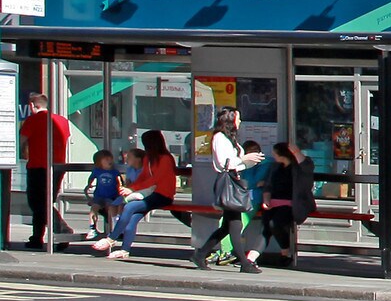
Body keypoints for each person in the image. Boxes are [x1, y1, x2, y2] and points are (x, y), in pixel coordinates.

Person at [193, 109, 265, 273]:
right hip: (229, 183)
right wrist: (244, 159)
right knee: (235, 224)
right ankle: (245, 263)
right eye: (238, 119)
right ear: (230, 120)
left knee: (227, 226)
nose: (240, 122)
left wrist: (251, 161)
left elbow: (236, 163)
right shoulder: (219, 138)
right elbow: (224, 162)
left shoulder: (230, 139)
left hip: (235, 181)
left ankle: (201, 253)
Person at [95, 130, 179, 259]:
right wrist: (131, 188)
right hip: (150, 194)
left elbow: (155, 179)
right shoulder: (149, 158)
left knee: (130, 207)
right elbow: (144, 176)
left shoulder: (165, 159)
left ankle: (111, 238)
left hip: (163, 195)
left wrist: (134, 189)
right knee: (132, 219)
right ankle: (125, 250)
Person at [18, 92, 72, 250]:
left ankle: (62, 230)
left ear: (32, 106)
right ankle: (37, 237)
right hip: (58, 166)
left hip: (38, 166)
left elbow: (21, 142)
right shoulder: (62, 120)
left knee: (38, 202)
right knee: (46, 201)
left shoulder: (33, 120)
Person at [259, 142, 315, 266]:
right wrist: (266, 199)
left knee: (276, 223)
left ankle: (285, 252)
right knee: (266, 224)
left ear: (282, 154)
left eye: (275, 153)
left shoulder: (298, 167)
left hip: (293, 203)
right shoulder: (275, 167)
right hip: (274, 203)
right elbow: (268, 186)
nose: (273, 155)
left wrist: (296, 152)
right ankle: (253, 255)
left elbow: (306, 166)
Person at [84, 150, 122, 239]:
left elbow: (119, 182)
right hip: (99, 196)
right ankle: (92, 228)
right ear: (99, 162)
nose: (109, 161)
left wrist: (120, 190)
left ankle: (112, 230)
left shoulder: (115, 172)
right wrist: (89, 185)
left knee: (111, 210)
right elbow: (91, 179)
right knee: (94, 208)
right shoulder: (97, 171)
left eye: (110, 159)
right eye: (106, 159)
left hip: (111, 196)